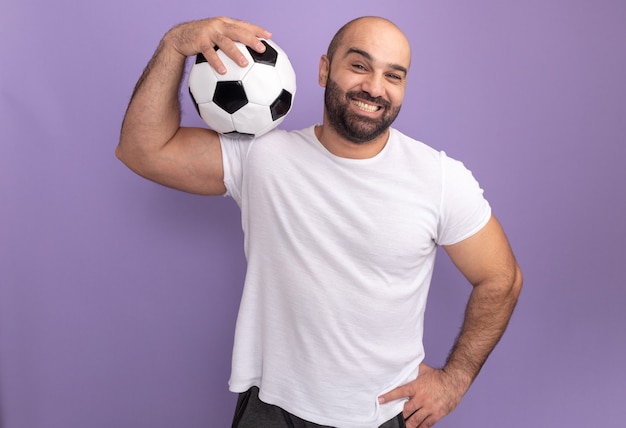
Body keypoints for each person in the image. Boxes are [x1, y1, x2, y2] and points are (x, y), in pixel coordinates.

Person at [116, 16, 523, 428]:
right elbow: (141, 150)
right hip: (271, 410)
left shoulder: (439, 179)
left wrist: (454, 380)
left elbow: (500, 279)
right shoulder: (264, 158)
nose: (375, 88)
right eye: (360, 66)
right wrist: (174, 45)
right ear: (325, 69)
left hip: (379, 415)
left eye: (393, 76)